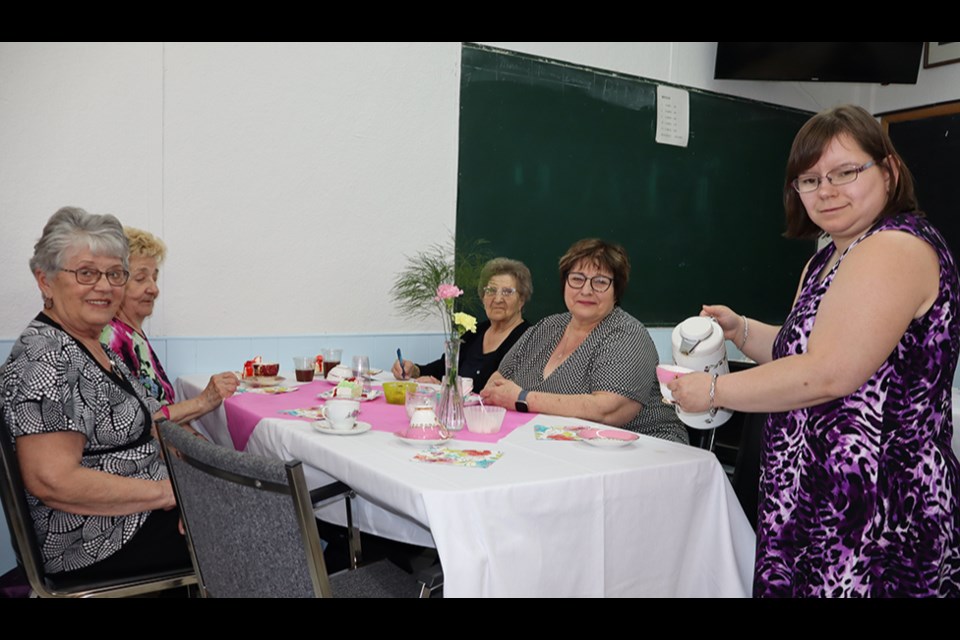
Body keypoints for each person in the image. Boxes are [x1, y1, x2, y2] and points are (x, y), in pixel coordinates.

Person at [668, 104, 960, 597]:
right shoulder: (830, 255)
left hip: (872, 506)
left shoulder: (894, 248)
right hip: (813, 496)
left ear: (888, 170)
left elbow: (827, 373)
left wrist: (715, 390)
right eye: (808, 179)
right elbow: (801, 351)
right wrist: (741, 331)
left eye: (844, 172)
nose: (825, 190)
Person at [0, 207, 238, 580]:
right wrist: (171, 494)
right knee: (268, 527)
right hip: (95, 539)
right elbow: (52, 480)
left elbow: (150, 419)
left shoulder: (94, 346)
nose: (105, 286)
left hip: (130, 515)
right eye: (86, 273)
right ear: (45, 281)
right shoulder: (46, 359)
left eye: (115, 274)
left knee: (264, 506)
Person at [480, 239, 688, 444]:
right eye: (577, 279)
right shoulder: (546, 327)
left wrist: (523, 398)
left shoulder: (626, 334)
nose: (586, 290)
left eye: (600, 282)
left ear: (616, 291)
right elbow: (497, 381)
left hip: (646, 449)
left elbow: (609, 410)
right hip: (564, 447)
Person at [101, 226, 237, 418]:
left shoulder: (132, 334)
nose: (154, 289)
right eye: (141, 279)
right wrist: (204, 401)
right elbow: (135, 422)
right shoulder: (111, 339)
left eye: (154, 278)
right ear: (115, 282)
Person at [392, 257, 532, 391]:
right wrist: (414, 369)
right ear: (483, 298)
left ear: (522, 300)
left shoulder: (530, 339)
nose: (498, 299)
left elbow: (501, 391)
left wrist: (447, 388)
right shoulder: (475, 332)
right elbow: (444, 367)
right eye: (491, 291)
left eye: (507, 292)